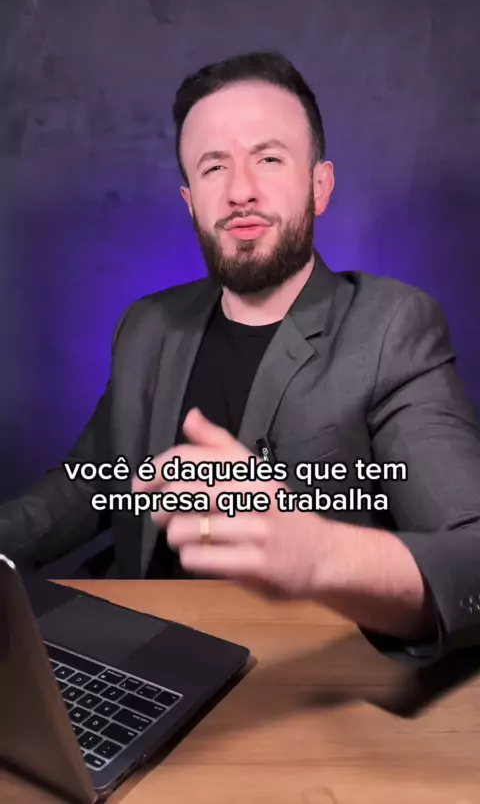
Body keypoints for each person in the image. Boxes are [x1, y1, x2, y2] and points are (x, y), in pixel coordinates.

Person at [2, 50, 480, 667]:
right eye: (214, 167)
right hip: (140, 657)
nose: (240, 192)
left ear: (320, 186)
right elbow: (91, 484)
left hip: (298, 678)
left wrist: (319, 553)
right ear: (190, 200)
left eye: (269, 159)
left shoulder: (393, 327)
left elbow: (473, 557)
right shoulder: (148, 325)